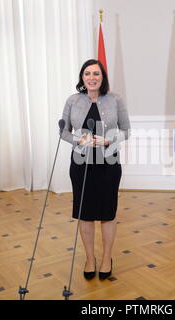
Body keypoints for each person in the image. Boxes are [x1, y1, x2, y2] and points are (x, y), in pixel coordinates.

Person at [61, 59, 130, 280]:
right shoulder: (72, 101)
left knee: (108, 214)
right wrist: (77, 140)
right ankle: (90, 259)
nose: (92, 78)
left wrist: (109, 141)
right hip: (81, 166)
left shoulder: (115, 100)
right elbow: (63, 131)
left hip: (108, 166)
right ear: (82, 77)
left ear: (102, 78)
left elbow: (126, 131)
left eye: (96, 74)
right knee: (86, 215)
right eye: (88, 74)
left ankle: (106, 257)